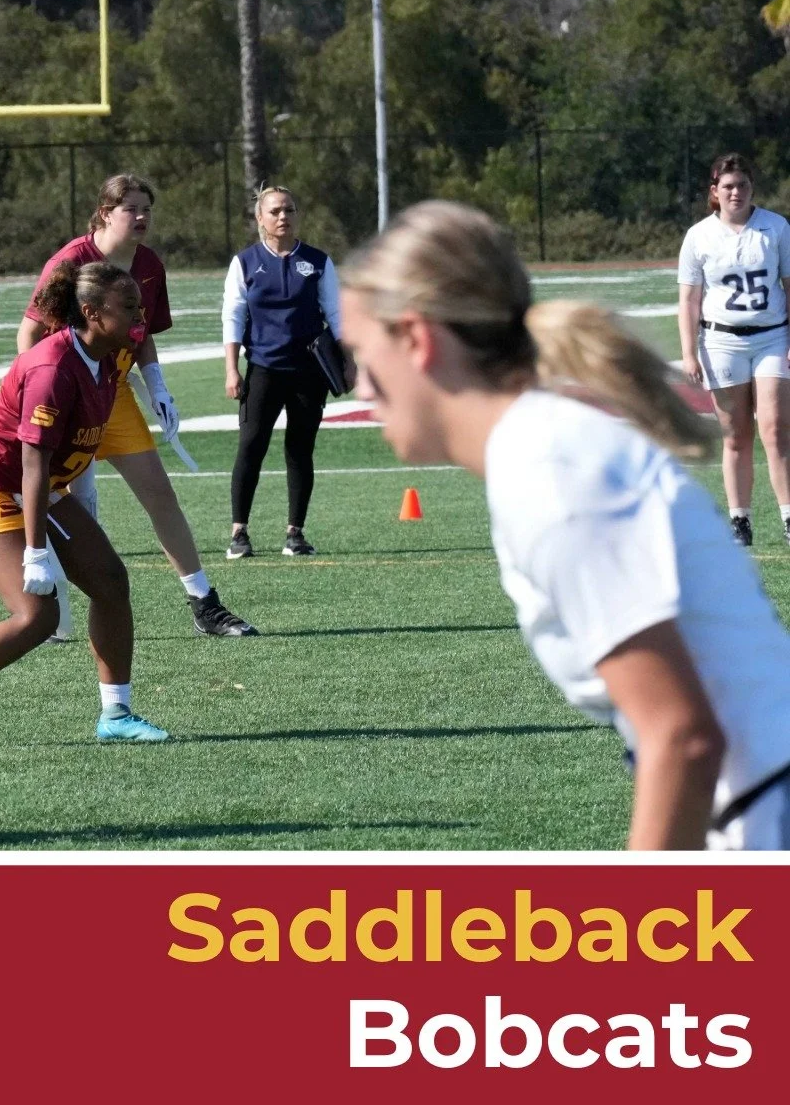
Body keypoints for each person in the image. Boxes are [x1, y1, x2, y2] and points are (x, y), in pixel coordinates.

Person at [342, 200, 790, 850]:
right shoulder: (539, 451)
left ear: (416, 338)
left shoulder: (549, 471)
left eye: (363, 354)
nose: (360, 387)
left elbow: (684, 738)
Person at [0, 262, 171, 749]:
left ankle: (116, 714)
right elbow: (33, 463)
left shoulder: (106, 357)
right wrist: (37, 551)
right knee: (37, 615)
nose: (139, 317)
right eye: (128, 307)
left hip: (33, 486)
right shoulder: (51, 368)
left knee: (110, 581)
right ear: (91, 312)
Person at [17, 173, 256, 637]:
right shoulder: (71, 261)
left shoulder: (149, 264)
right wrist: (35, 389)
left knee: (159, 494)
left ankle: (204, 602)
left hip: (113, 392)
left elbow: (140, 334)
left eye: (147, 207)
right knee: (71, 504)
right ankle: (55, 611)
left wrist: (158, 385)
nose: (142, 216)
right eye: (131, 207)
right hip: (66, 394)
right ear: (106, 212)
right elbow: (29, 331)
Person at [222, 185, 348, 558]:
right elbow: (233, 314)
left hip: (309, 372)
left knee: (300, 450)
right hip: (263, 368)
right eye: (275, 211)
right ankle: (239, 533)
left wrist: (349, 360)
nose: (283, 217)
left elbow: (336, 313)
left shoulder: (318, 261)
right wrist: (232, 368)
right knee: (251, 446)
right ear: (260, 218)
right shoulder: (244, 262)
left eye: (289, 210)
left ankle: (295, 533)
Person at [676, 153, 790, 547]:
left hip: (772, 336)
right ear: (714, 192)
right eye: (728, 186)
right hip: (721, 341)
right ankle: (740, 521)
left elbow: (789, 286)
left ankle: (789, 517)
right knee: (736, 436)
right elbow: (689, 299)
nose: (735, 192)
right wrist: (689, 352)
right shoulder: (699, 236)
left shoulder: (775, 227)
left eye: (742, 185)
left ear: (751, 187)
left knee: (775, 430)